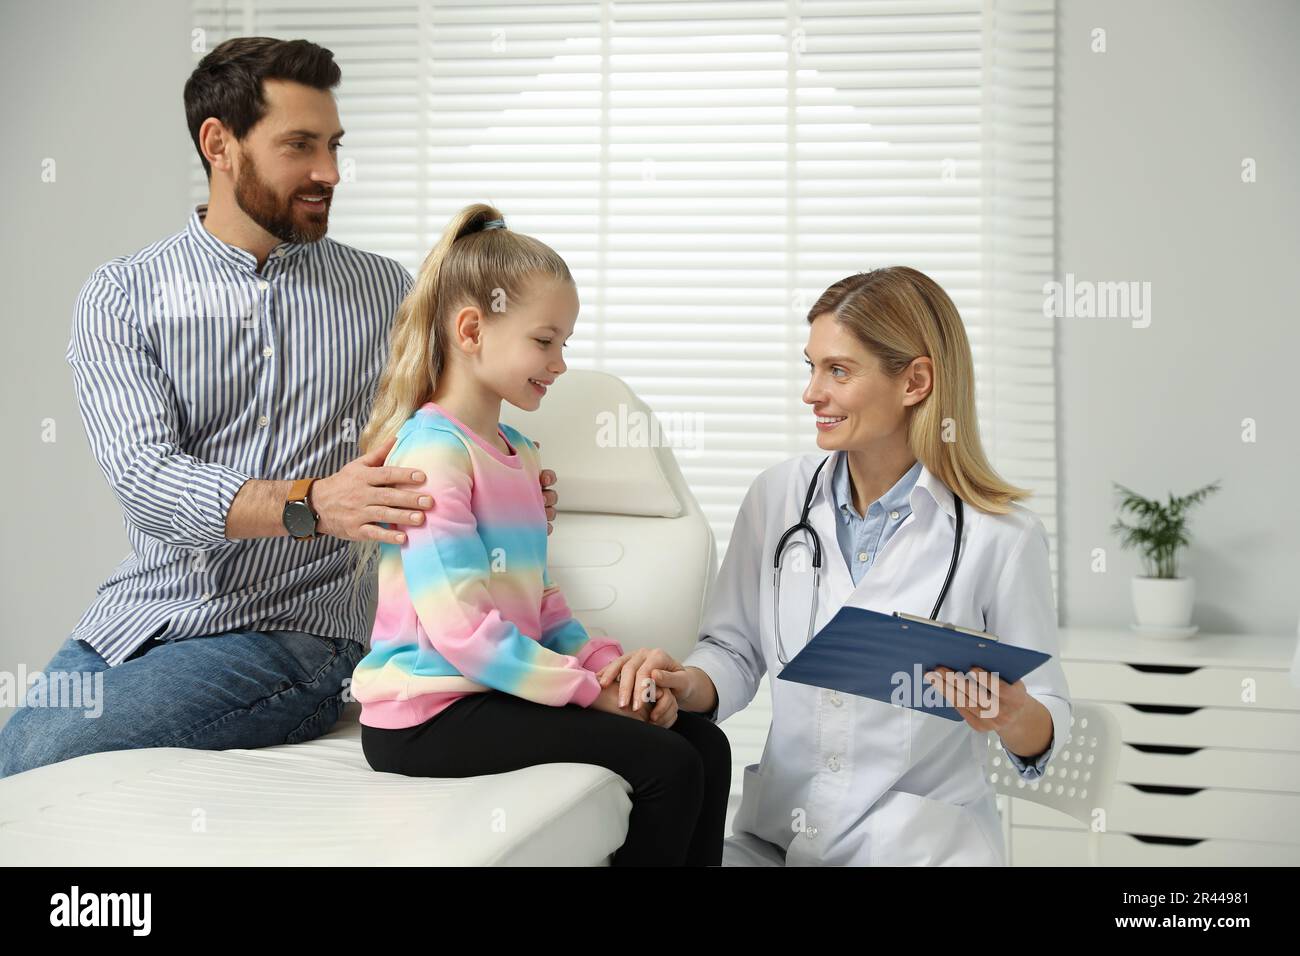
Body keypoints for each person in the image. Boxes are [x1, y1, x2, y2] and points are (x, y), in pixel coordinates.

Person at [0, 37, 556, 778]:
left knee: (41, 756)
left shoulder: (384, 294)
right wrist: (313, 503)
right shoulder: (122, 296)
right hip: (137, 619)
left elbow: (455, 413)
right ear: (218, 145)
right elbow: (146, 478)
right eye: (300, 145)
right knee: (14, 761)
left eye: (333, 145)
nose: (329, 172)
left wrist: (510, 474)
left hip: (297, 632)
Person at [598, 266, 1073, 866]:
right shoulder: (778, 498)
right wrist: (683, 684)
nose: (811, 392)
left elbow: (1049, 720)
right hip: (780, 840)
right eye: (812, 366)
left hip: (919, 851)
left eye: (839, 371)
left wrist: (1013, 714)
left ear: (915, 382)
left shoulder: (1000, 537)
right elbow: (735, 651)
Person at [349, 203, 731, 866]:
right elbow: (463, 634)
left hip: (487, 691)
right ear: (472, 329)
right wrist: (591, 694)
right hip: (426, 713)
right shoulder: (433, 454)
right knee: (669, 765)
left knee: (707, 743)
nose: (559, 363)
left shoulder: (518, 454)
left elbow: (543, 603)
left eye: (565, 344)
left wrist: (609, 668)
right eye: (545, 340)